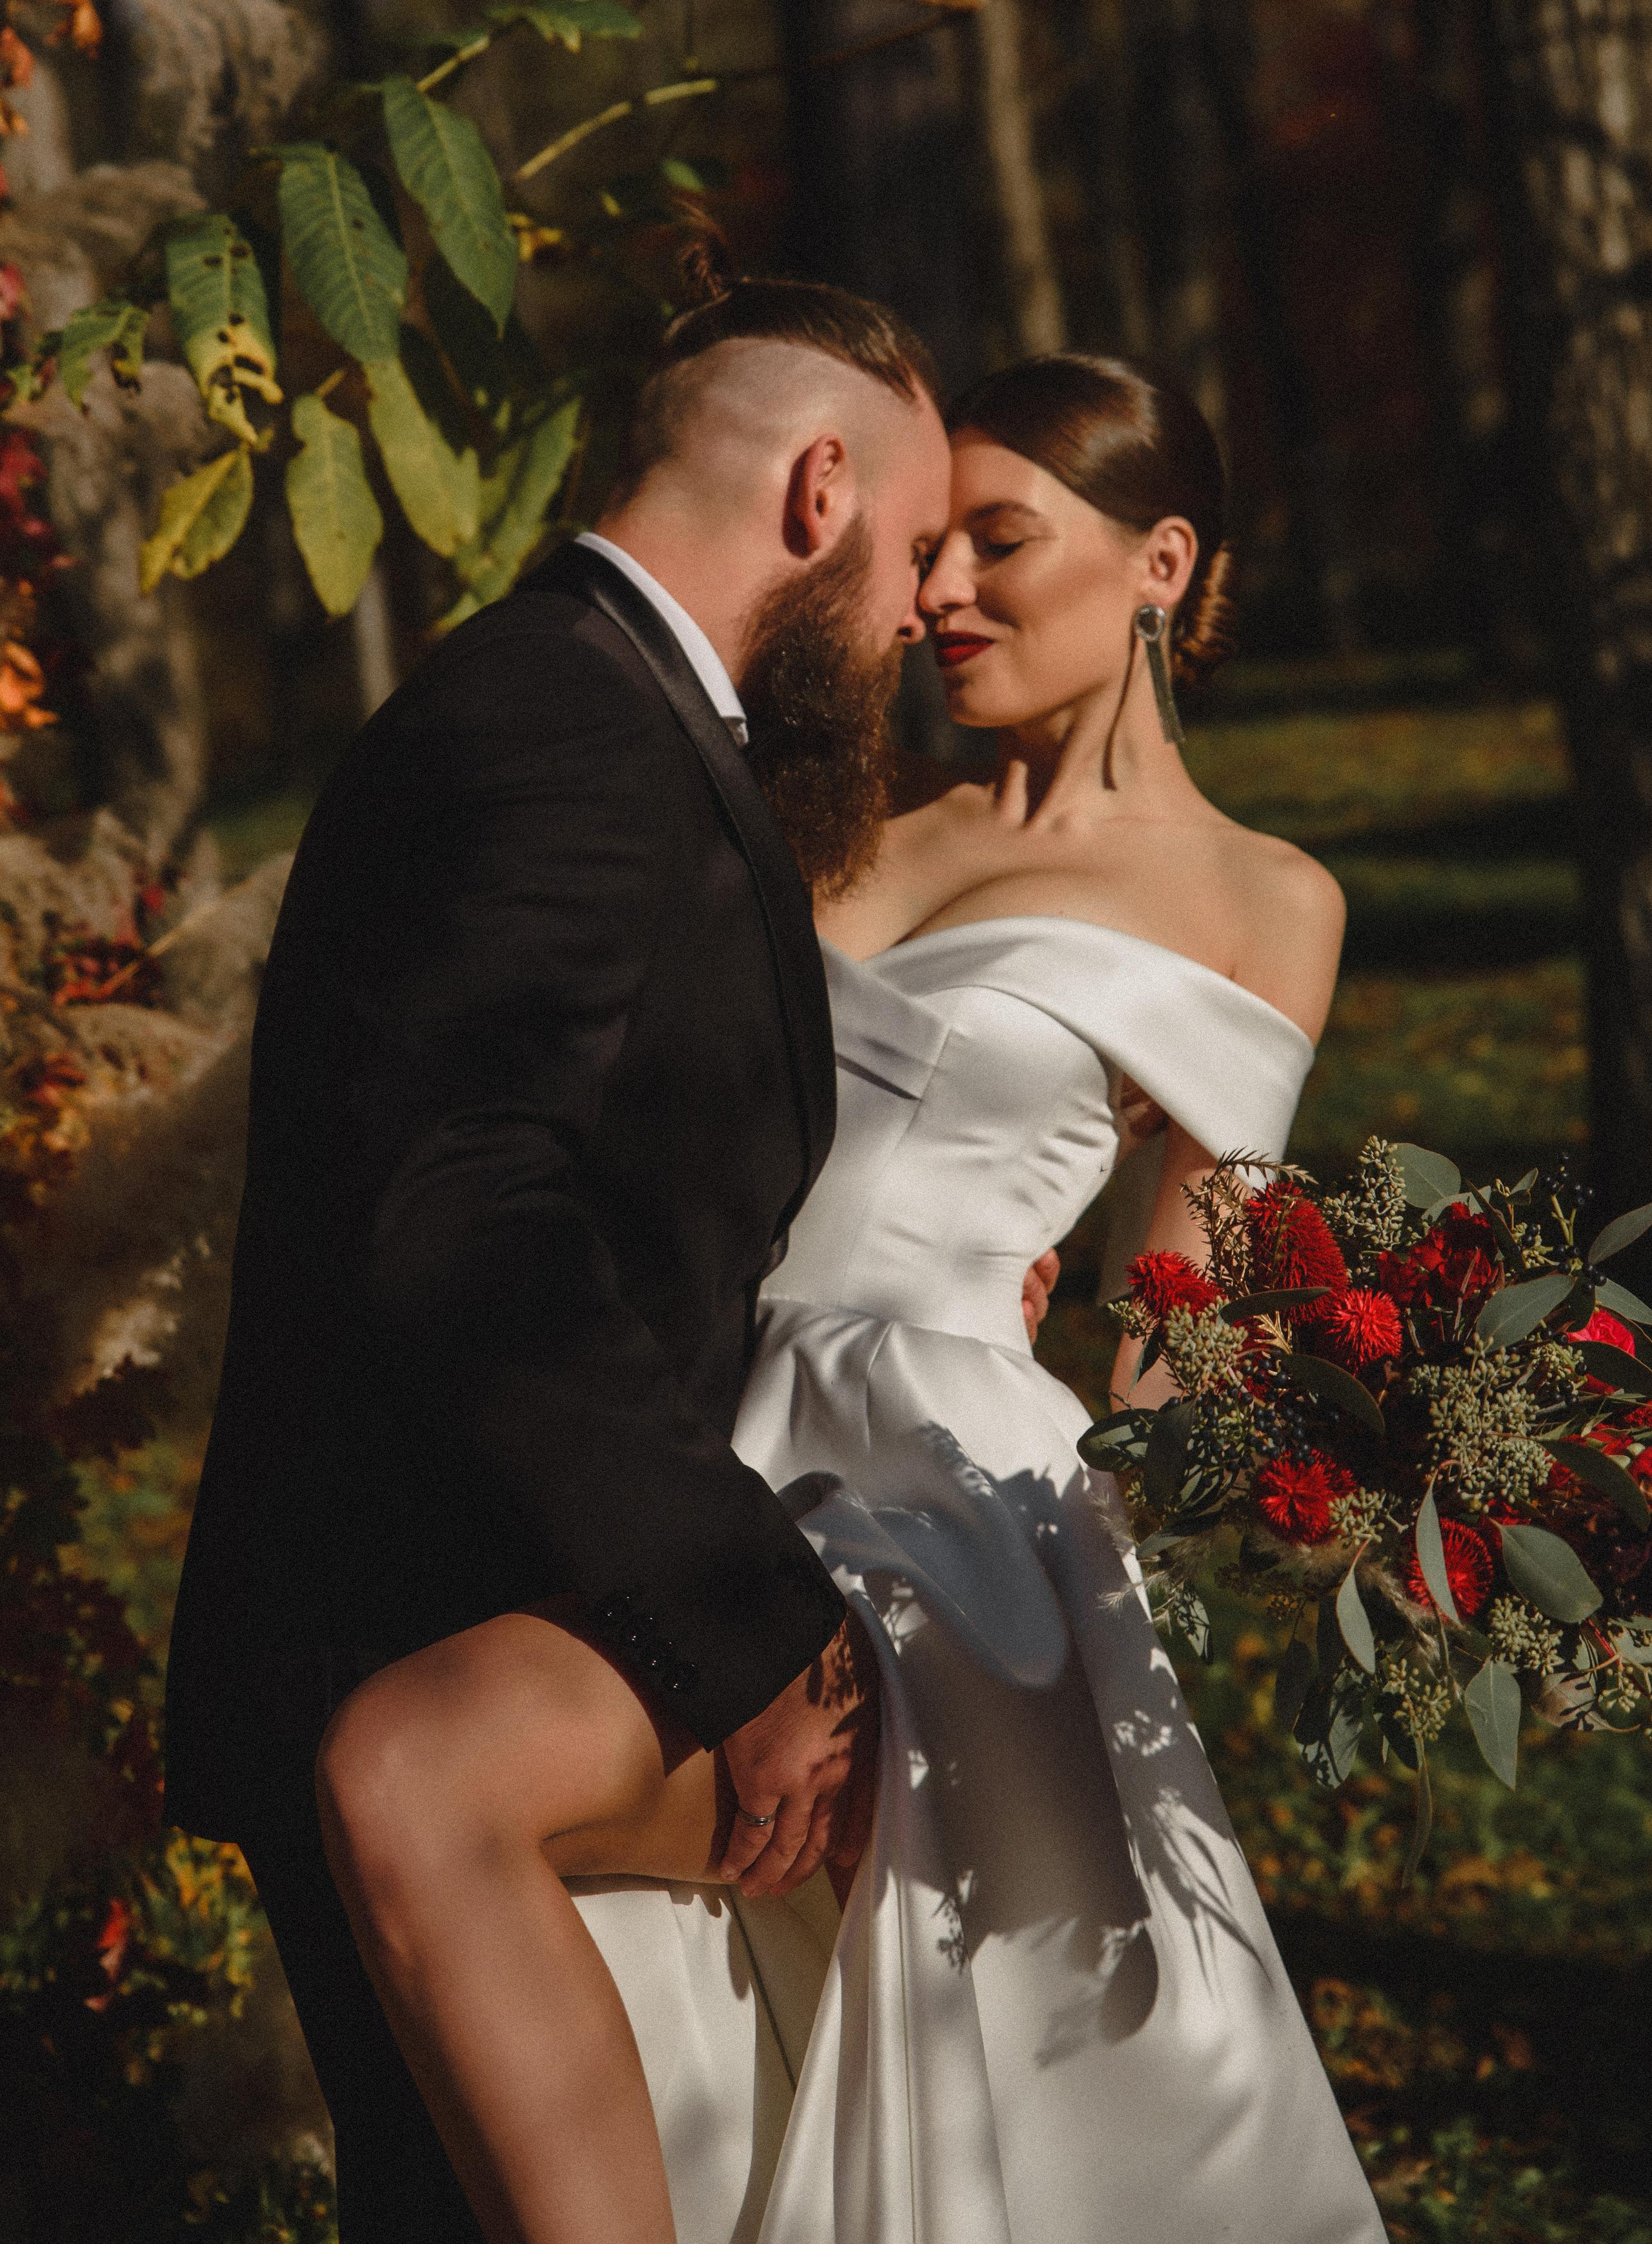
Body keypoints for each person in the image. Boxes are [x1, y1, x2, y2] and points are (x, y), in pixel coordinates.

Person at [162, 276, 976, 2244]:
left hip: (504, 1633)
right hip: (425, 1647)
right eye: (915, 551)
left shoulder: (600, 711)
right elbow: (465, 1211)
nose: (913, 619)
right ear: (819, 485)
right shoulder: (559, 727)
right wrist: (746, 1617)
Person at [565, 353, 1387, 2240]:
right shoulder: (852, 810)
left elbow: (1174, 1310)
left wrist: (1341, 1474)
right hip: (694, 1410)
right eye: (928, 549)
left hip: (951, 1487)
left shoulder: (1266, 899)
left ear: (1161, 561)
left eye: (997, 544)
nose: (937, 595)